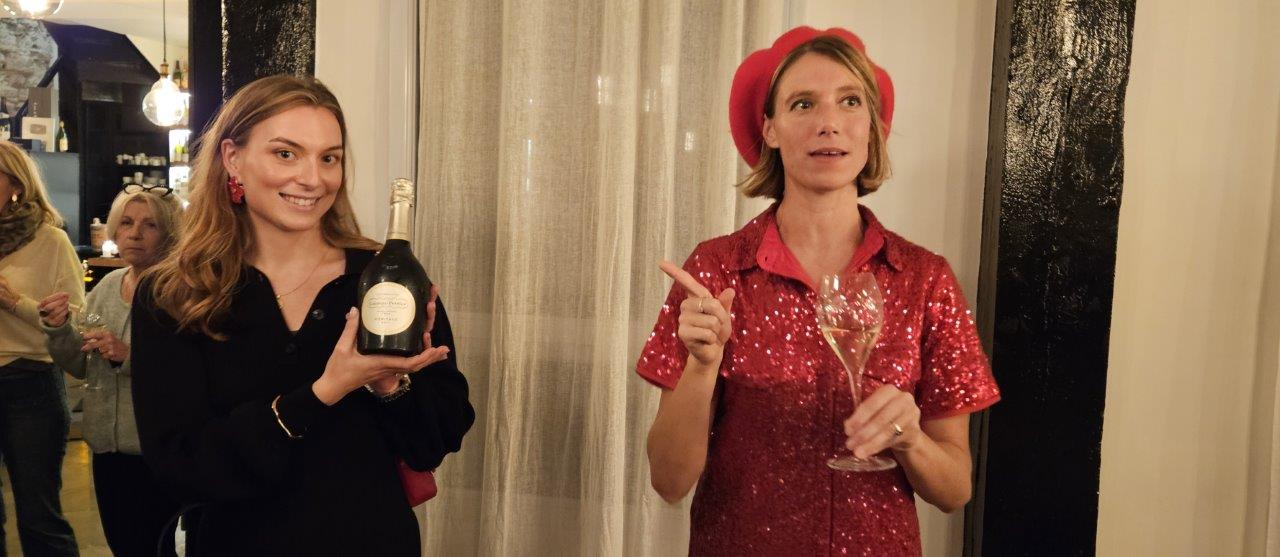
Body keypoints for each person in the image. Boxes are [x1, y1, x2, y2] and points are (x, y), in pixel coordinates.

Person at [639, 27, 1002, 555]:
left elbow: (954, 491)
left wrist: (910, 439)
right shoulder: (717, 270)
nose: (828, 122)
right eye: (803, 104)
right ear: (770, 129)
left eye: (850, 101)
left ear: (873, 128)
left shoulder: (925, 279)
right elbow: (669, 481)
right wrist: (701, 367)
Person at [130, 75, 475, 555]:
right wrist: (323, 391)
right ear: (232, 158)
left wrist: (388, 386)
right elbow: (180, 467)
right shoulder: (176, 293)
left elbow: (435, 441)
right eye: (286, 154)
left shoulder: (383, 282)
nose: (313, 179)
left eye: (328, 158)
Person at [40, 185, 184, 556]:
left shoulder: (181, 292)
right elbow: (80, 364)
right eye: (127, 223)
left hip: (156, 449)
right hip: (106, 447)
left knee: (154, 545)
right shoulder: (108, 286)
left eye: (150, 225)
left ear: (171, 233)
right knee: (122, 543)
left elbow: (188, 374)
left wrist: (128, 356)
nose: (134, 234)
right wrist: (59, 328)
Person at [0, 140, 82, 555]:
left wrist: (14, 302)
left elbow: (76, 323)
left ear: (15, 185)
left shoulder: (50, 240)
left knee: (39, 515)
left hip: (29, 383)